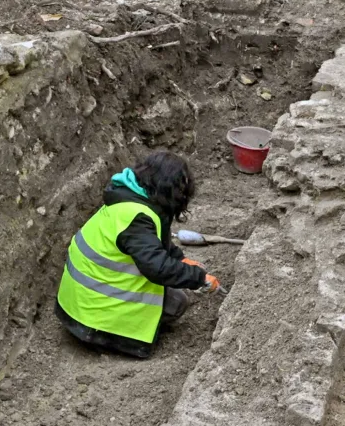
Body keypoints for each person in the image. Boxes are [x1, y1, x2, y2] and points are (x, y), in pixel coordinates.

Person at [54, 151, 222, 358]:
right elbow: (157, 267)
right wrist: (198, 278)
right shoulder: (137, 219)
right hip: (93, 318)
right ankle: (115, 339)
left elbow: (154, 242)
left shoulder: (128, 199)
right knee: (177, 303)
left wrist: (179, 259)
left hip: (78, 304)